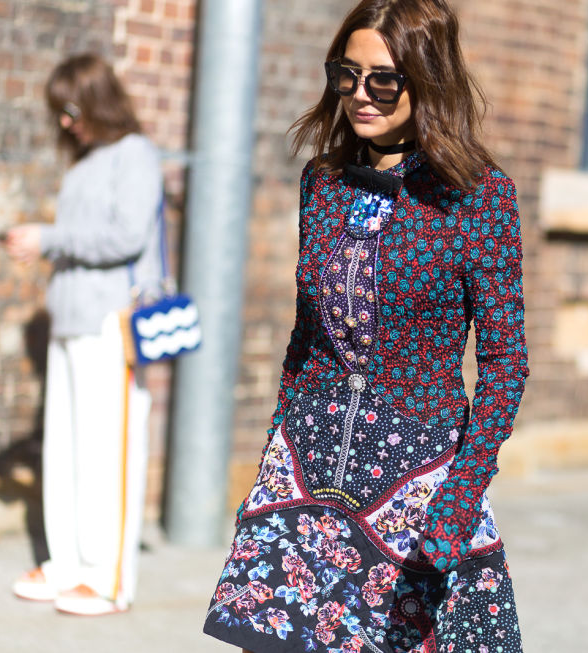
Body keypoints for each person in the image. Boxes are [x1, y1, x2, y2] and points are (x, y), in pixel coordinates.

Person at [202, 1, 528, 651]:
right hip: (306, 468)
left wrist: (459, 499)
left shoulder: (480, 195)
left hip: (419, 485)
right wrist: (271, 465)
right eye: (345, 75)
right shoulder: (321, 184)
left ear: (426, 78)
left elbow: (503, 362)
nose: (359, 94)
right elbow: (305, 345)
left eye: (382, 79)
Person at [3, 53, 162, 616]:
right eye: (59, 113)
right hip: (71, 321)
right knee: (67, 451)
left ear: (98, 98)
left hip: (109, 323)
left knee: (107, 452)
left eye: (71, 109)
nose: (66, 123)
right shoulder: (84, 163)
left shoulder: (135, 153)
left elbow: (123, 235)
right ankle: (66, 565)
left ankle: (108, 580)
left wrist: (48, 238)